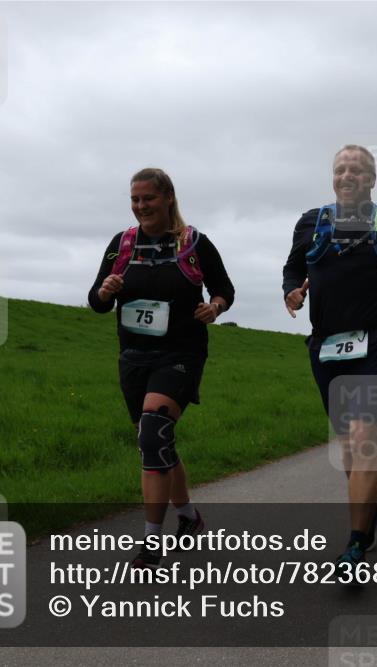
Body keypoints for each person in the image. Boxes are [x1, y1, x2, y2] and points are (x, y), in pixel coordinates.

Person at [282, 145, 377, 575]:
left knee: (364, 437)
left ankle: (354, 546)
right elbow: (293, 267)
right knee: (349, 445)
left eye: (356, 170)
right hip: (327, 347)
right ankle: (370, 511)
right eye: (340, 169)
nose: (347, 175)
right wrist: (292, 291)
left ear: (371, 179)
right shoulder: (310, 222)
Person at [89, 167, 235, 568]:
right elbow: (96, 301)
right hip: (134, 358)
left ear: (168, 197)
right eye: (135, 200)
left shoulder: (194, 243)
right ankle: (189, 517)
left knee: (152, 433)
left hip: (181, 355)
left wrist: (215, 306)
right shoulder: (122, 244)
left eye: (148, 199)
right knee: (157, 441)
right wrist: (105, 291)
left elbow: (225, 288)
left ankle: (152, 542)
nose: (140, 207)